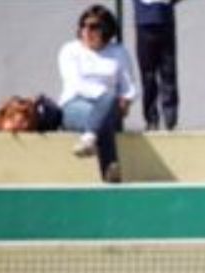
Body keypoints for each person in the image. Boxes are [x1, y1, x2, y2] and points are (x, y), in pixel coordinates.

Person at [58, 5, 136, 183]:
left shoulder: (118, 52)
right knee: (105, 112)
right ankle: (110, 171)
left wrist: (126, 101)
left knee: (107, 106)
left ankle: (89, 138)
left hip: (110, 107)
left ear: (106, 30)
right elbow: (75, 84)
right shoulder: (70, 50)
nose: (87, 30)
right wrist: (106, 99)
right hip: (75, 104)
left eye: (94, 26)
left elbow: (128, 86)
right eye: (83, 26)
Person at [132, 0, 180, 131]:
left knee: (168, 72)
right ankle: (151, 118)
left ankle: (170, 119)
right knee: (148, 75)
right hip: (144, 22)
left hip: (165, 20)